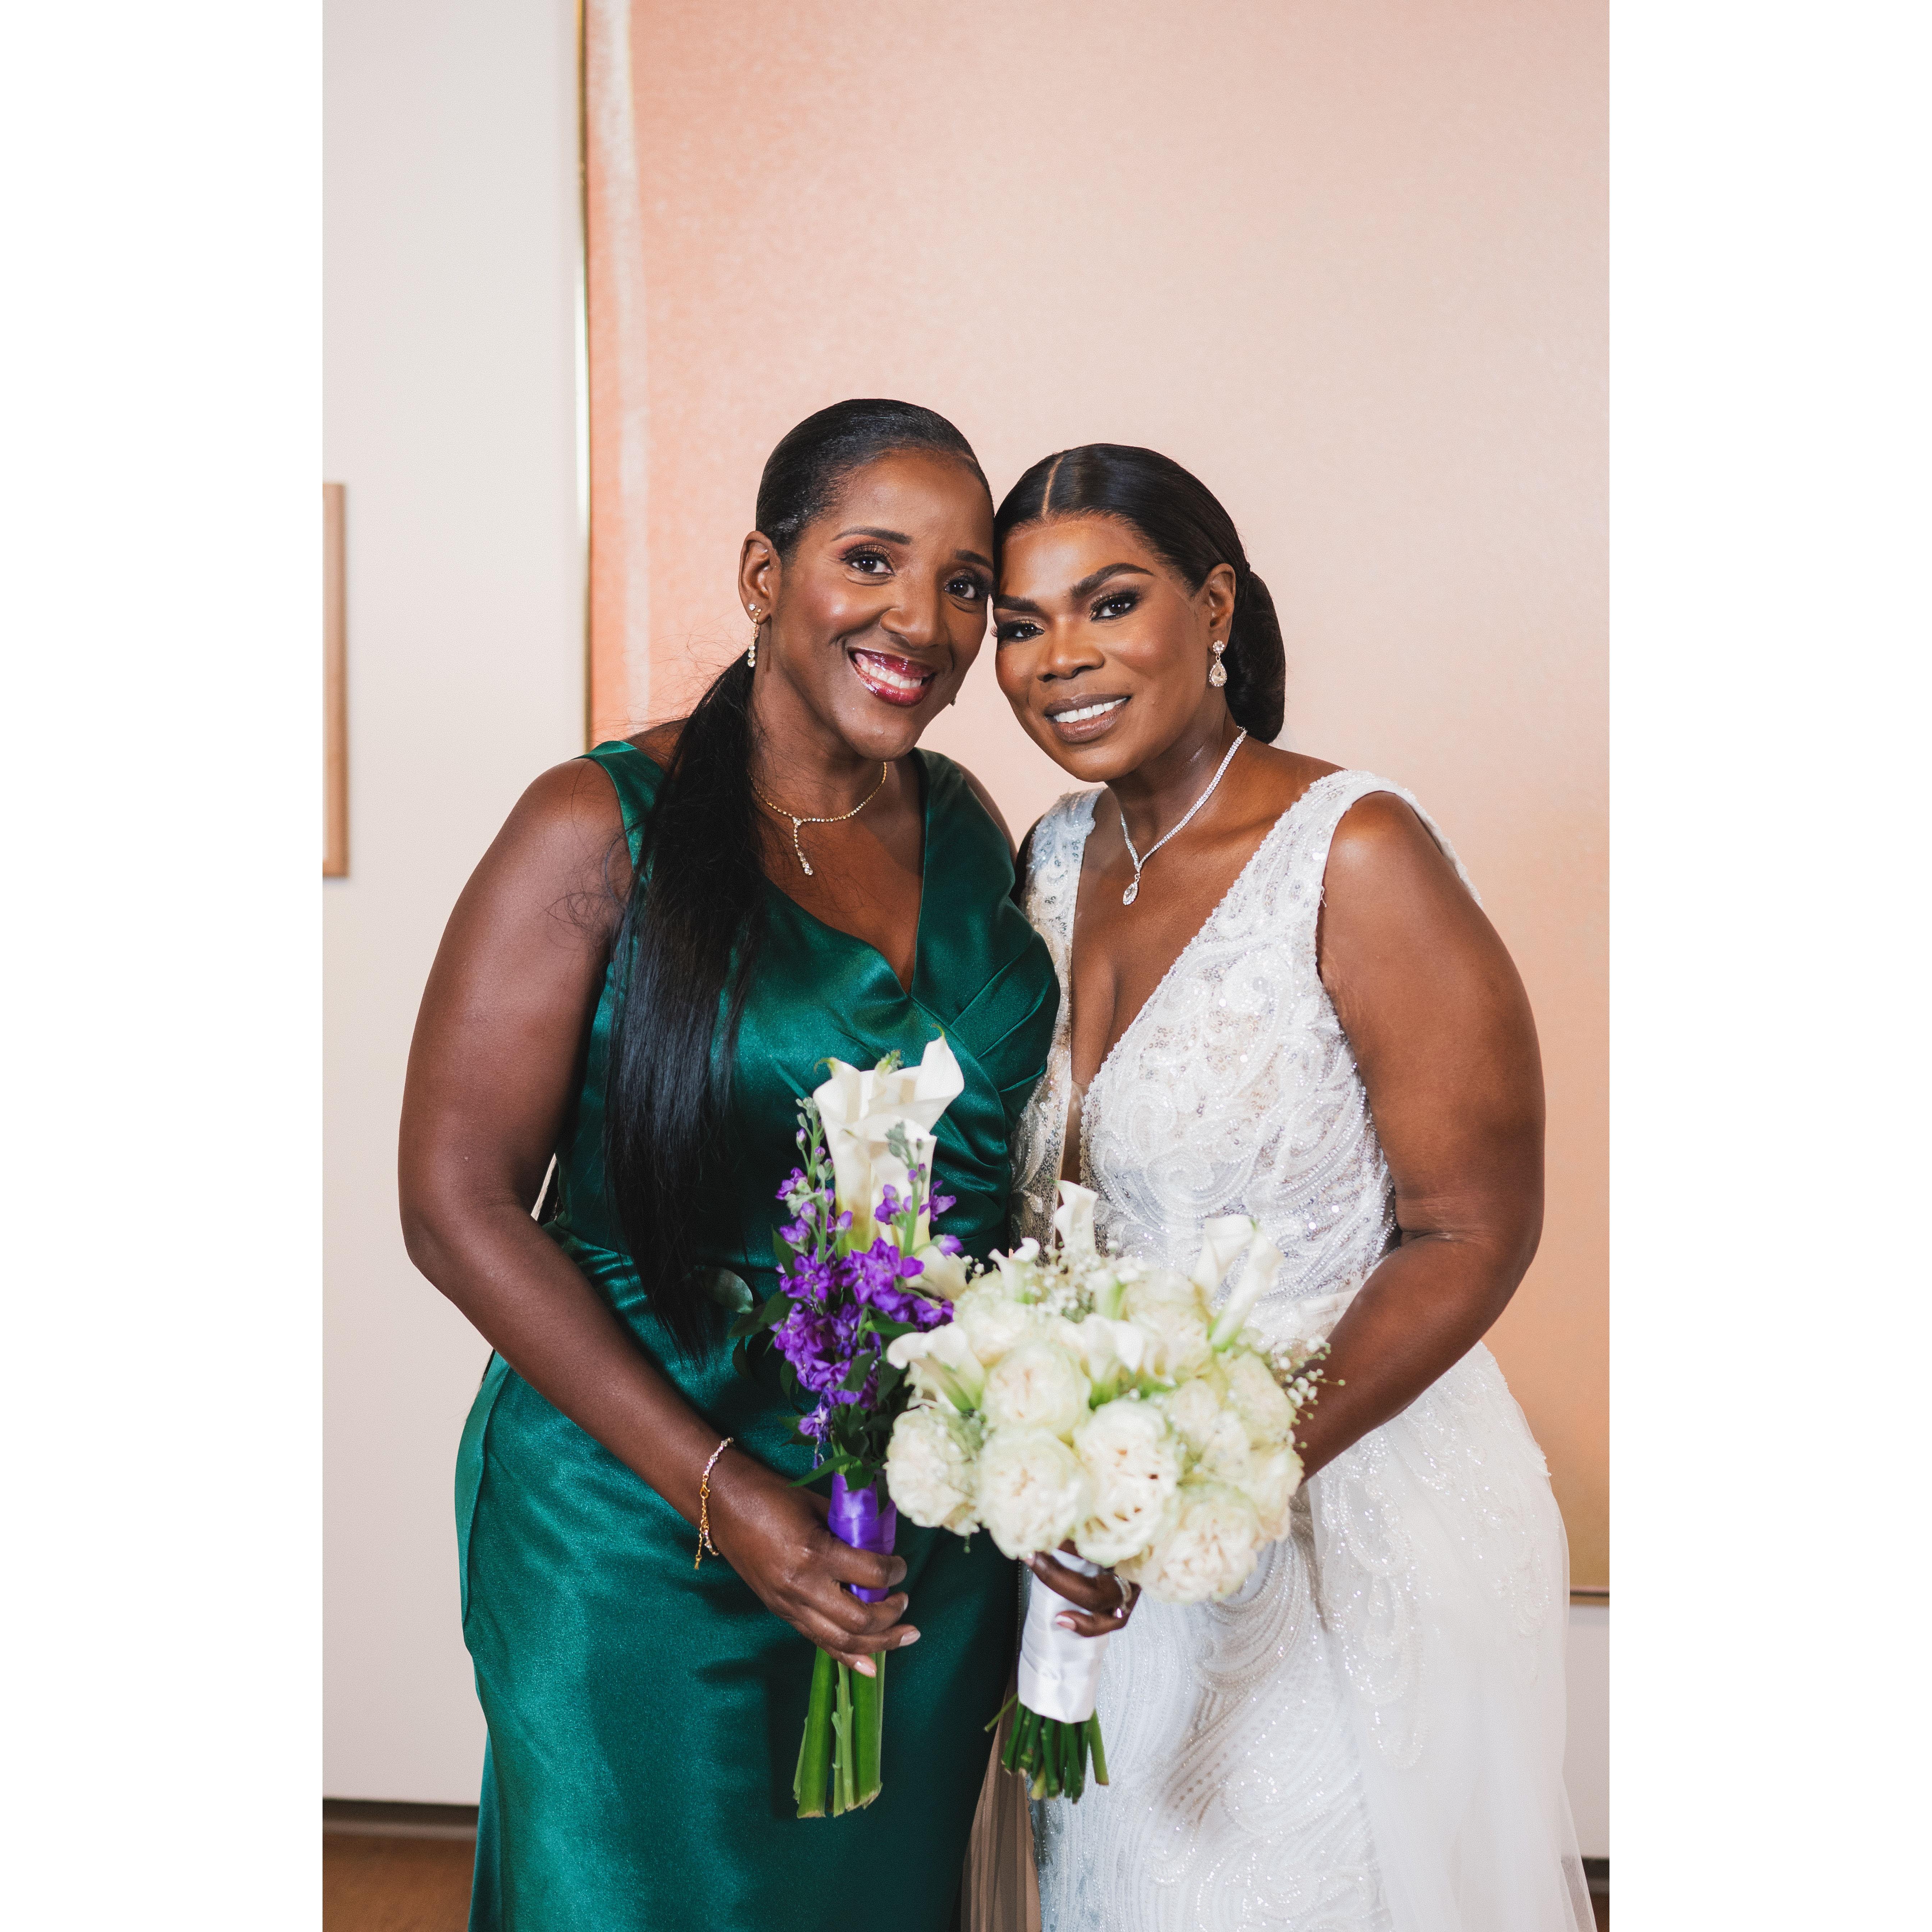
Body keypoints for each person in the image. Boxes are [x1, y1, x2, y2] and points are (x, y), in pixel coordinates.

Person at [399, 400, 1059, 1931]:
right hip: (638, 1522)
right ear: (766, 576)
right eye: (871, 560)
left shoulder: (967, 824)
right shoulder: (595, 826)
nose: (923, 621)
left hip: (912, 1537)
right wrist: (724, 1492)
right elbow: (453, 1203)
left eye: (966, 585)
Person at [990, 445, 1593, 1931]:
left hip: (1332, 1514)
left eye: (1109, 603)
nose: (1060, 658)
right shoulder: (1053, 856)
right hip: (1106, 1536)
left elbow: (1472, 1228)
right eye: (1019, 624)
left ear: (1214, 609)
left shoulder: (1356, 851)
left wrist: (1219, 1477)